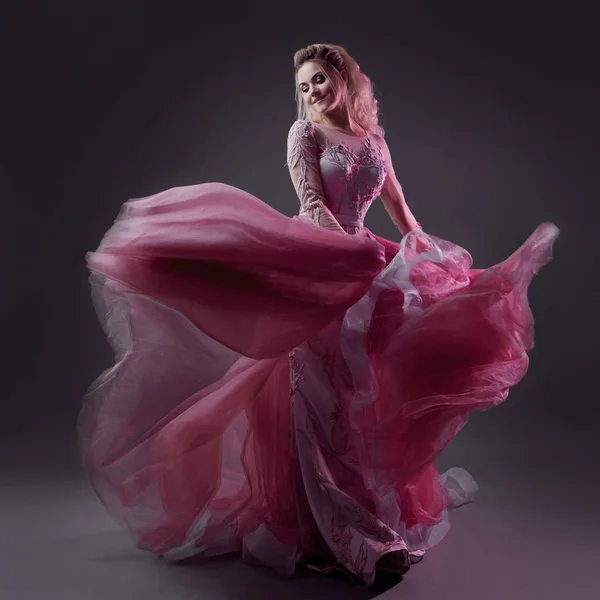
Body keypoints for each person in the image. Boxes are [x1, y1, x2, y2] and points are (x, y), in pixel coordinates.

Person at [79, 43, 559, 589]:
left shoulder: (374, 141)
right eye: (304, 86)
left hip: (366, 265)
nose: (311, 93)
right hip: (319, 265)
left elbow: (398, 206)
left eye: (320, 81)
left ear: (344, 80)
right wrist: (357, 258)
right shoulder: (302, 135)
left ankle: (371, 517)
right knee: (321, 397)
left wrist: (422, 250)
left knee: (365, 396)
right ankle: (338, 532)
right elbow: (312, 205)